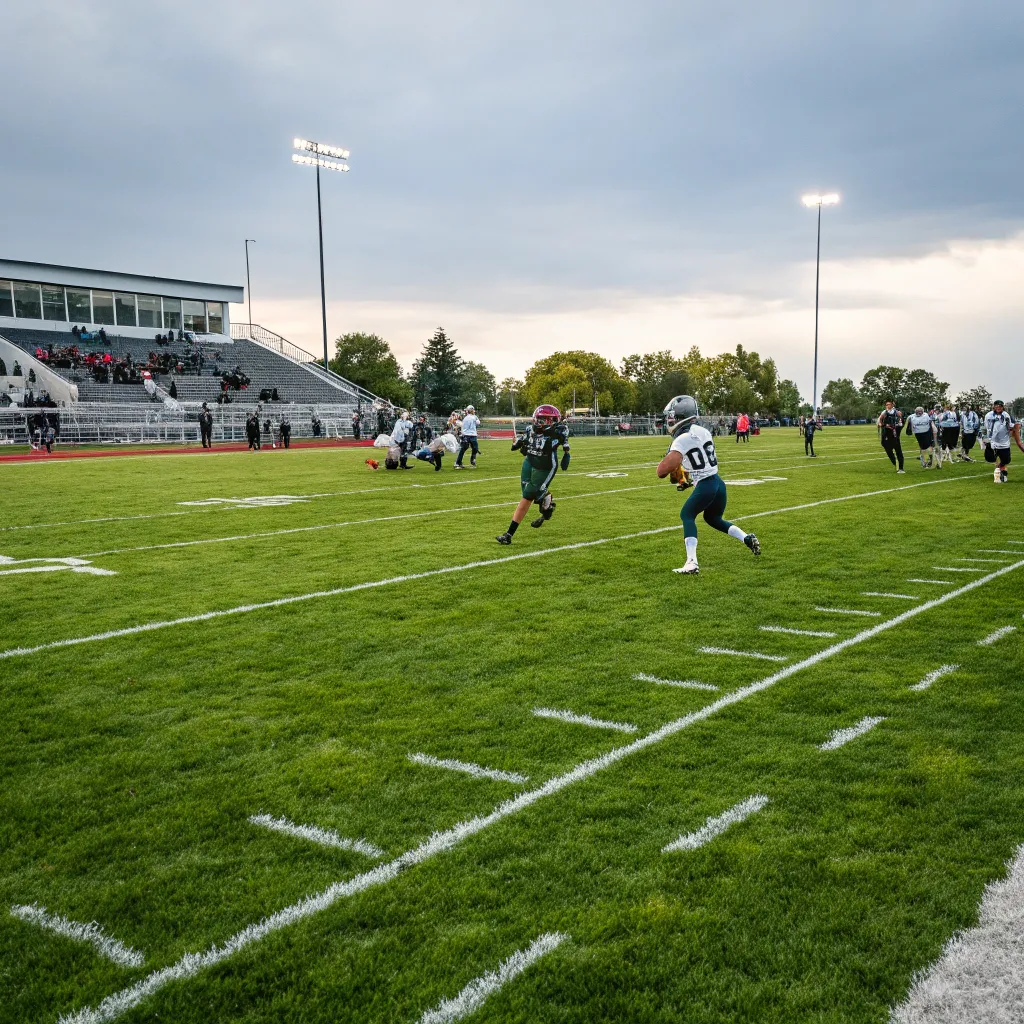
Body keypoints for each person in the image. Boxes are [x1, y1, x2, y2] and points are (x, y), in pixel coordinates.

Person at [656, 395, 760, 575]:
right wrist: (688, 479)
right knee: (713, 518)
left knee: (687, 514)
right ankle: (746, 538)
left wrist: (672, 462)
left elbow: (662, 472)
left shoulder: (681, 439)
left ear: (682, 416)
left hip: (706, 485)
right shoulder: (702, 430)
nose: (670, 420)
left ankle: (692, 563)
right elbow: (699, 462)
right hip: (717, 482)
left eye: (673, 416)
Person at [496, 404, 570, 544]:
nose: (543, 422)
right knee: (526, 493)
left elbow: (560, 441)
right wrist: (519, 443)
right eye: (542, 419)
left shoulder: (559, 431)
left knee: (527, 496)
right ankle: (546, 500)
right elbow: (524, 442)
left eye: (548, 420)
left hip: (545, 466)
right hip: (529, 462)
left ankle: (509, 535)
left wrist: (566, 453)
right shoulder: (530, 429)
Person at [984, 400, 1023, 483]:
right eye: (997, 406)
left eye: (1000, 406)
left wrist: (1016, 428)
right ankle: (999, 471)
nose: (998, 407)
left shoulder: (1006, 415)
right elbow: (986, 427)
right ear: (994, 406)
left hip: (1004, 442)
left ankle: (1001, 471)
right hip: (992, 441)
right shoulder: (988, 415)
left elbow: (1012, 426)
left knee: (1006, 460)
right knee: (990, 458)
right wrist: (986, 438)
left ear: (1003, 407)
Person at [877, 400, 905, 473]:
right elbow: (879, 422)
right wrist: (885, 425)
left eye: (889, 404)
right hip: (886, 434)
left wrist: (897, 426)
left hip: (895, 433)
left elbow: (901, 422)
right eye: (886, 404)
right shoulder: (884, 413)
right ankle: (896, 463)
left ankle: (901, 468)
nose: (887, 406)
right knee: (888, 449)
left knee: (898, 450)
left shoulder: (898, 413)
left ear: (892, 405)